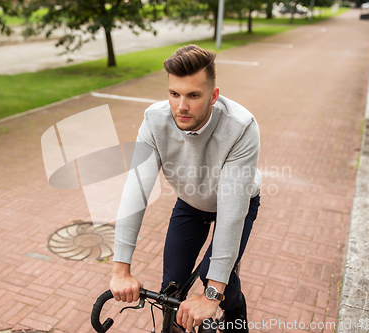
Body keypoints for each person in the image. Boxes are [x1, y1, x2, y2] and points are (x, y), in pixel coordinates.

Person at [109, 44, 262, 333]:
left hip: (239, 202)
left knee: (213, 276)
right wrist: (120, 270)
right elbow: (136, 191)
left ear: (213, 96)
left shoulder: (241, 127)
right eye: (174, 94)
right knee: (172, 284)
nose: (181, 106)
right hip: (191, 201)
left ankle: (235, 309)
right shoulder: (155, 120)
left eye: (193, 95)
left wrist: (213, 294)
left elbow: (230, 214)